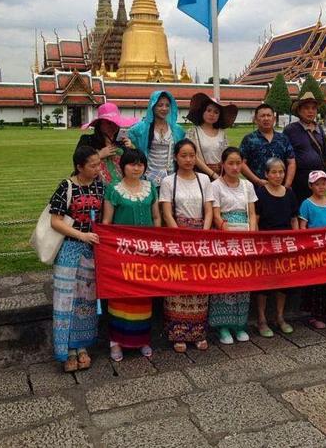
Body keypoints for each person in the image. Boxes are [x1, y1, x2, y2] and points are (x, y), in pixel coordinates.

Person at [102, 149, 161, 361]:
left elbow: (156, 217)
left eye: (140, 164)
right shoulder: (113, 190)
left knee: (143, 297)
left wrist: (156, 244)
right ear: (122, 166)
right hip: (122, 253)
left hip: (146, 252)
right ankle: (115, 341)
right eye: (131, 164)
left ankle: (141, 339)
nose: (136, 168)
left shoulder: (150, 188)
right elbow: (107, 222)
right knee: (120, 297)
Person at [49, 146, 104, 372]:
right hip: (70, 248)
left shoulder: (100, 185)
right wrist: (82, 235)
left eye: (98, 164)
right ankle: (67, 350)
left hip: (92, 252)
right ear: (79, 167)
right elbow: (56, 221)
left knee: (87, 300)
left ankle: (82, 346)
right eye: (92, 165)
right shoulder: (67, 186)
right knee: (66, 300)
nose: (97, 169)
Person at [159, 139, 213, 352]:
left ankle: (198, 332)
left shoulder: (204, 180)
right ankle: (177, 333)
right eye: (184, 155)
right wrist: (179, 237)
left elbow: (208, 210)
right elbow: (166, 212)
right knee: (178, 286)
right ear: (175, 157)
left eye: (192, 155)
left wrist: (204, 235)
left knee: (199, 286)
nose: (189, 160)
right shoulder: (168, 182)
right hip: (177, 237)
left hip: (200, 236)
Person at [209, 147, 258, 344]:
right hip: (225, 236)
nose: (235, 167)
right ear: (223, 164)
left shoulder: (247, 186)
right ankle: (222, 326)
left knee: (242, 281)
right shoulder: (215, 186)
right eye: (231, 163)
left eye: (238, 163)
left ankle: (239, 324)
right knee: (225, 280)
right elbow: (215, 213)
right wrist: (225, 228)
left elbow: (252, 213)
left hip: (245, 235)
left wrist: (252, 233)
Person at [255, 158, 298, 337]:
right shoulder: (261, 193)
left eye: (281, 172)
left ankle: (279, 317)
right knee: (264, 283)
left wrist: (297, 240)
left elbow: (294, 218)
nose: (278, 175)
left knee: (283, 283)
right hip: (266, 245)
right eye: (273, 172)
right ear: (266, 174)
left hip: (285, 244)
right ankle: (261, 319)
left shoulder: (289, 193)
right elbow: (255, 219)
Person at [298, 170, 326, 328]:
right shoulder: (306, 204)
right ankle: (316, 315)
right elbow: (302, 227)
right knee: (317, 284)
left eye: (323, 183)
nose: (321, 187)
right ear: (311, 186)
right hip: (315, 251)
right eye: (317, 184)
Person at [283, 92, 326, 202]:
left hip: (318, 178)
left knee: (317, 207)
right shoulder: (291, 130)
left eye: (313, 108)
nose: (310, 111)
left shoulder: (319, 129)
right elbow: (286, 157)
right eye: (306, 108)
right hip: (299, 179)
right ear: (299, 111)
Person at [128, 91, 185, 189]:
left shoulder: (177, 130)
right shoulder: (142, 128)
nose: (164, 108)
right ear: (152, 106)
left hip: (171, 177)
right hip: (148, 176)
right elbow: (131, 139)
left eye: (167, 105)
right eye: (160, 105)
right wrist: (131, 145)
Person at [78, 102, 138, 184]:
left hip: (120, 188)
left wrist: (131, 148)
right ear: (100, 124)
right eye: (108, 123)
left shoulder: (122, 143)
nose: (113, 126)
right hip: (95, 187)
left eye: (115, 123)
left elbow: (135, 163)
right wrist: (99, 155)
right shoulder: (87, 140)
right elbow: (79, 162)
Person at [240, 103, 296, 188]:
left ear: (274, 119)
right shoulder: (249, 139)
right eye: (262, 116)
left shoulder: (283, 139)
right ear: (256, 119)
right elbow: (241, 163)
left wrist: (287, 184)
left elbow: (291, 162)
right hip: (257, 189)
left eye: (269, 115)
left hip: (280, 188)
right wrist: (257, 181)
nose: (266, 118)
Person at [186, 93, 238, 181]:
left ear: (219, 116)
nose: (212, 114)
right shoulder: (193, 132)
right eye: (209, 110)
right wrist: (212, 174)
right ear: (203, 112)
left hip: (220, 174)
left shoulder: (222, 133)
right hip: (200, 175)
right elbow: (194, 157)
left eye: (216, 112)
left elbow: (225, 155)